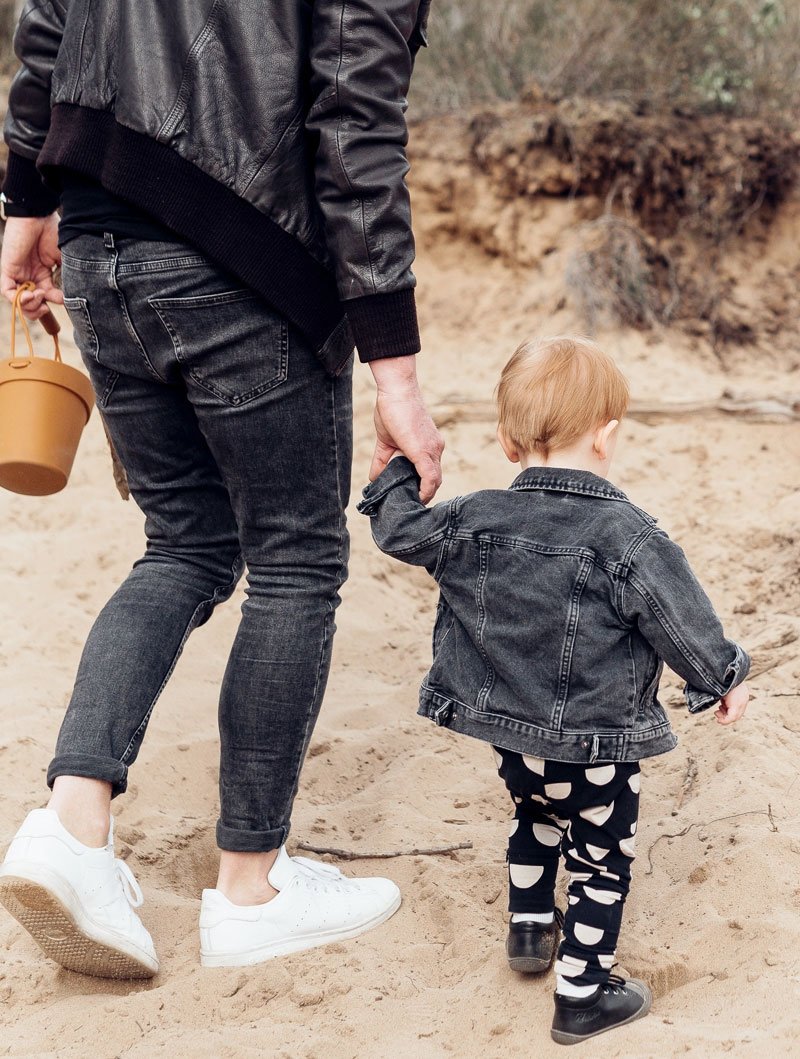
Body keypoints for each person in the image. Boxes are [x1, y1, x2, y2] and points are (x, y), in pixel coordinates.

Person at [0, 0, 444, 978]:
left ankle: (70, 830)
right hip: (240, 250)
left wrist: (28, 203)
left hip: (100, 238)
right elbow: (355, 119)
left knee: (183, 544)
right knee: (295, 559)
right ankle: (252, 888)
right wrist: (395, 372)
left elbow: (44, 30)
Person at [357, 336, 750, 1046]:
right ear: (607, 437)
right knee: (602, 855)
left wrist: (393, 472)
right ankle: (583, 993)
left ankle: (530, 930)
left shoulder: (472, 516)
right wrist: (719, 678)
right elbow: (679, 620)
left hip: (510, 735)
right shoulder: (628, 535)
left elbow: (399, 531)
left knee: (532, 815)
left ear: (508, 442)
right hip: (594, 743)